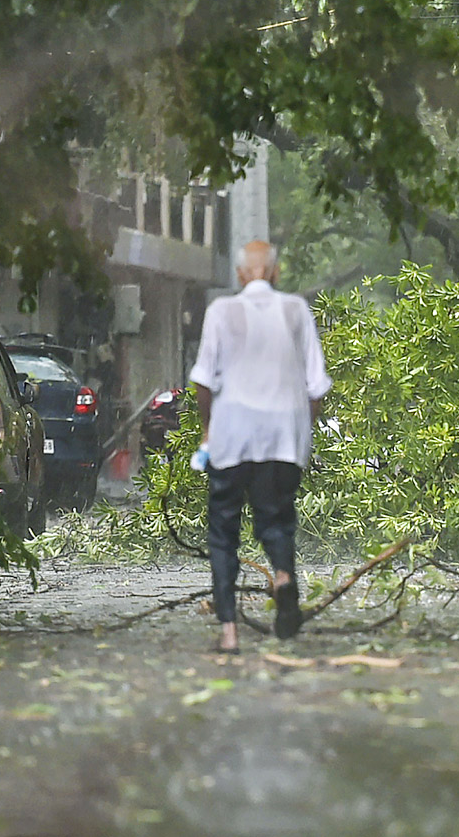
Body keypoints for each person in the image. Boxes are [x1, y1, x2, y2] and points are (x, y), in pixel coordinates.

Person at [189, 240, 331, 653]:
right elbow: (316, 386)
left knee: (223, 533)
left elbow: (202, 380)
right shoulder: (296, 310)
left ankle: (229, 633)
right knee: (276, 519)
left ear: (239, 275)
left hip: (232, 435)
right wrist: (301, 427)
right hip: (282, 438)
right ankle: (284, 576)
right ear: (275, 272)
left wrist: (208, 427)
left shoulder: (221, 311)